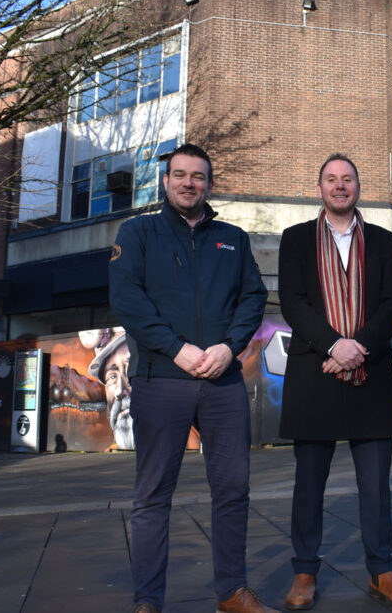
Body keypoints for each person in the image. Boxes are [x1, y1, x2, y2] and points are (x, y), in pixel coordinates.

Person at [109, 143, 273, 613]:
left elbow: (253, 298)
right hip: (162, 378)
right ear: (165, 181)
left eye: (197, 176)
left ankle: (231, 592)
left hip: (222, 382)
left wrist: (229, 347)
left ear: (209, 184)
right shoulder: (137, 233)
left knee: (233, 490)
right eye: (179, 175)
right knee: (153, 495)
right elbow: (128, 301)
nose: (188, 183)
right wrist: (177, 349)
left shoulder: (232, 239)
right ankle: (147, 602)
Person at [278, 154, 392, 610]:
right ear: (319, 188)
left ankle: (382, 572)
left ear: (359, 186)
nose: (340, 186)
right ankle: (304, 573)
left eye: (348, 179)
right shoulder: (295, 239)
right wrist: (335, 346)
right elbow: (293, 302)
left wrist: (359, 348)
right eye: (331, 180)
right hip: (315, 372)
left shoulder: (381, 239)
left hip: (369, 373)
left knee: (376, 485)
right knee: (308, 484)